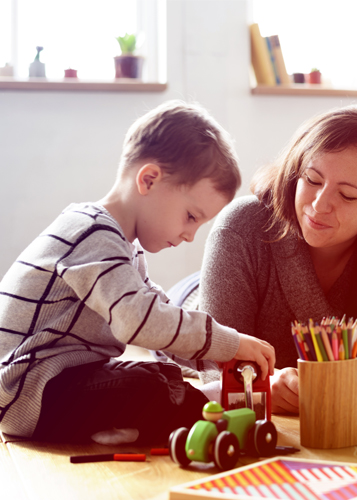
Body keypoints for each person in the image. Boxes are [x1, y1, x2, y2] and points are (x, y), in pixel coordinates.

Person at [0, 100, 275, 444]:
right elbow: (139, 321)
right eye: (191, 217)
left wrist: (216, 358)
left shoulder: (124, 247)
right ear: (149, 179)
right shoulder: (92, 233)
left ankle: (147, 421)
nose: (190, 235)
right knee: (150, 386)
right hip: (28, 394)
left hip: (61, 383)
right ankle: (199, 410)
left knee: (160, 374)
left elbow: (160, 318)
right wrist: (227, 343)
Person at [197, 104, 357, 414]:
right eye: (313, 180)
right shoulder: (241, 225)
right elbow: (214, 362)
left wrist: (329, 380)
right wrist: (265, 385)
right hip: (194, 305)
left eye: (347, 196)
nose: (320, 204)